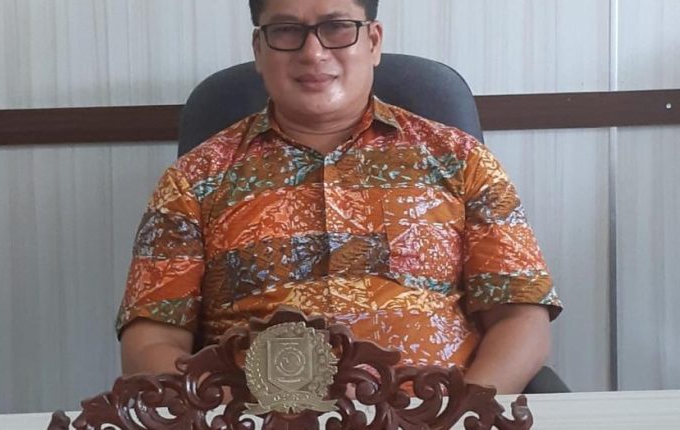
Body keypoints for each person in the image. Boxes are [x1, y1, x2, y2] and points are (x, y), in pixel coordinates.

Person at [117, 0, 562, 395]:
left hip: (431, 416)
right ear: (259, 49)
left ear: (373, 40)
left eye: (337, 27)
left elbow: (520, 318)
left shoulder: (461, 161)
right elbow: (151, 339)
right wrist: (218, 416)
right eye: (286, 30)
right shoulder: (193, 180)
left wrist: (463, 416)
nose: (313, 53)